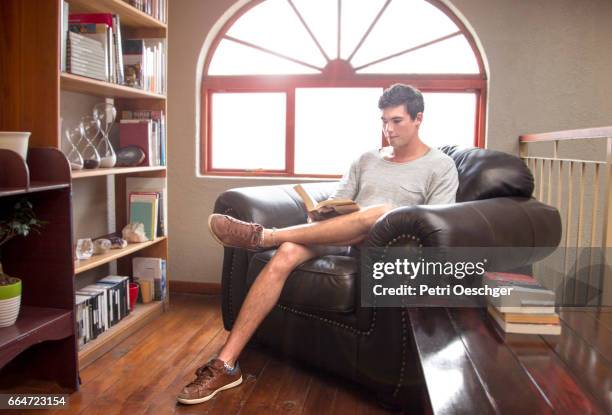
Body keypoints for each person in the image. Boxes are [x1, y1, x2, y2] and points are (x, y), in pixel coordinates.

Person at [177, 84, 459, 405]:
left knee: (379, 212)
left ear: (418, 118)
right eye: (383, 121)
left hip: (383, 252)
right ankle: (226, 363)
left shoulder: (440, 166)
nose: (388, 129)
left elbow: (436, 225)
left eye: (396, 121)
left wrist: (381, 221)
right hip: (341, 238)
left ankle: (264, 236)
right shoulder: (367, 159)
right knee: (286, 253)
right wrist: (322, 213)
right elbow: (340, 200)